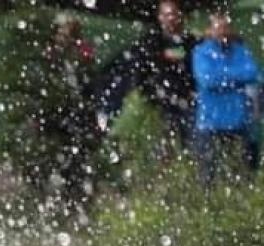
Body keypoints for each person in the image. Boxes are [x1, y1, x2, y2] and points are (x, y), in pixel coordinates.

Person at [95, 0, 196, 152]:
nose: (170, 18)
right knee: (161, 149)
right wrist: (151, 94)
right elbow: (141, 73)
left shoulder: (190, 42)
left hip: (186, 102)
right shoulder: (151, 42)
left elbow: (194, 71)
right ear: (160, 17)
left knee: (189, 146)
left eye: (173, 14)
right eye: (166, 14)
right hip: (158, 105)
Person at [192, 10, 261, 187]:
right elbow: (208, 79)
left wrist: (223, 75)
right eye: (218, 26)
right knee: (208, 178)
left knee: (243, 176)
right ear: (209, 29)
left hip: (238, 122)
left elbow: (254, 73)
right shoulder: (202, 52)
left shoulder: (241, 50)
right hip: (210, 123)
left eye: (225, 26)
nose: (222, 31)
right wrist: (237, 77)